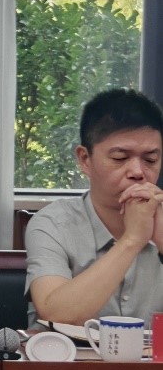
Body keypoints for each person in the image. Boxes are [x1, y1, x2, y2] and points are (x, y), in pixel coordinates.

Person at [26, 88, 163, 326]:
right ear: (85, 159)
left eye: (150, 160)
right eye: (120, 158)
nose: (138, 172)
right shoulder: (53, 224)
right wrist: (132, 240)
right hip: (70, 352)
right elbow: (55, 314)